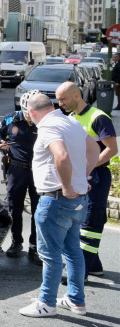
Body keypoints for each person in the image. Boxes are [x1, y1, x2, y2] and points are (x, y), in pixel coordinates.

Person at [19, 93, 99, 318]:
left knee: (50, 255)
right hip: (78, 200)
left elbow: (61, 156)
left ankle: (46, 303)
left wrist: (66, 186)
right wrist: (81, 179)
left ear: (32, 113)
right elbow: (94, 150)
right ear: (52, 105)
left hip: (56, 199)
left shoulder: (48, 127)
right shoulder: (70, 121)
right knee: (73, 251)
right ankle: (76, 300)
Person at [55, 81, 117, 279]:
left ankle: (80, 272)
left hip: (97, 176)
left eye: (63, 99)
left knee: (91, 221)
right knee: (80, 220)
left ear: (76, 95)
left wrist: (87, 168)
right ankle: (94, 264)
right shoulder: (72, 118)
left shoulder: (98, 117)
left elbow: (112, 149)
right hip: (81, 175)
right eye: (58, 100)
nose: (60, 104)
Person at [0, 90, 40, 263]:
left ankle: (34, 247)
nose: (31, 116)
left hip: (38, 172)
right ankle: (16, 242)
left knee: (38, 211)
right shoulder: (10, 118)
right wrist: (0, 144)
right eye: (29, 112)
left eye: (34, 112)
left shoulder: (44, 121)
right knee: (14, 208)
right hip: (16, 170)